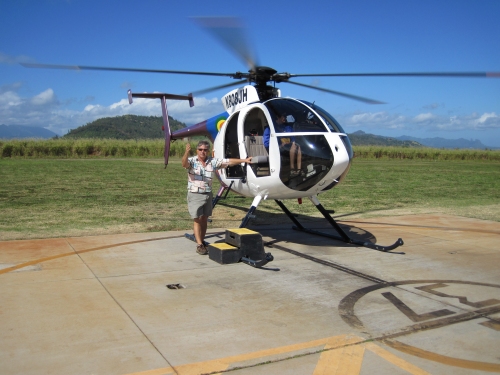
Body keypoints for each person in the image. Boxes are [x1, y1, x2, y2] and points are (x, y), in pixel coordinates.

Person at [182, 140, 252, 255]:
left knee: (204, 218)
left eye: (205, 150)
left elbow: (228, 162)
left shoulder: (212, 162)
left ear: (208, 151)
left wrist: (244, 160)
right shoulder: (192, 161)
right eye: (200, 150)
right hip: (195, 194)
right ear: (197, 150)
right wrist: (186, 153)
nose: (202, 152)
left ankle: (202, 241)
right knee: (197, 219)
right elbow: (184, 164)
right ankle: (199, 244)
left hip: (207, 194)